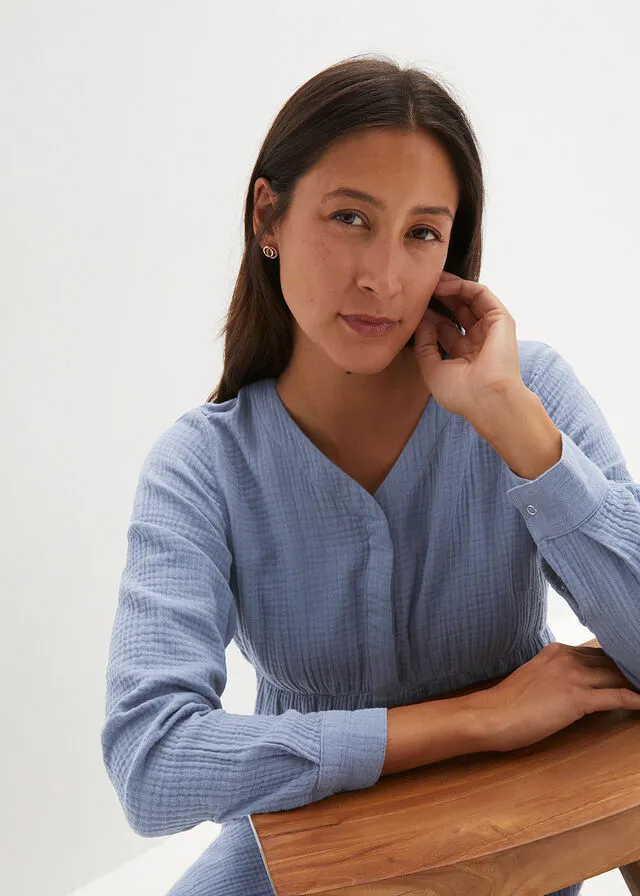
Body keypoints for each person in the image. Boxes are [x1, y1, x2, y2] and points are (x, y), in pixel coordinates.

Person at [101, 54, 640, 895]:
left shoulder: (529, 397)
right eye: (351, 217)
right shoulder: (199, 468)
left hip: (525, 833)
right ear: (267, 216)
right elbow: (154, 761)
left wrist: (512, 420)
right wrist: (472, 721)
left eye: (422, 232)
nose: (384, 278)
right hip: (309, 839)